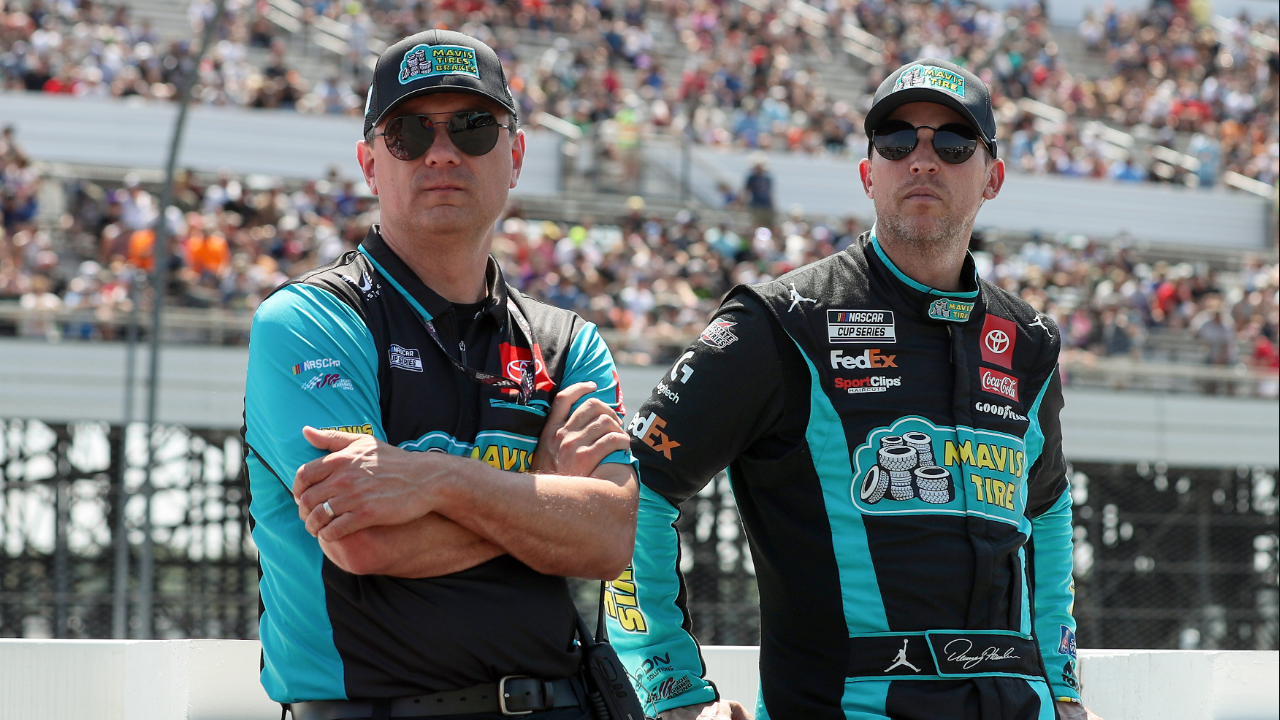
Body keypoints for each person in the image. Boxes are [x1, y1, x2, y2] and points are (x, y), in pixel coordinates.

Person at [607, 59, 1102, 720]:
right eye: (897, 142)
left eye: (953, 143)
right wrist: (669, 689)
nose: (922, 160)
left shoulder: (1029, 341)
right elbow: (632, 486)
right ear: (869, 172)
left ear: (993, 178)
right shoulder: (781, 321)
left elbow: (1047, 510)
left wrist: (1062, 689)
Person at [242, 30, 639, 719]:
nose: (442, 152)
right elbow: (365, 537)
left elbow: (606, 539)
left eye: (473, 127)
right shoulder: (307, 321)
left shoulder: (568, 342)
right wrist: (540, 499)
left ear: (514, 155)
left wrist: (431, 480)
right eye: (409, 134)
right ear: (370, 164)